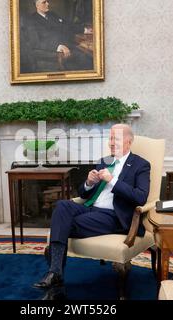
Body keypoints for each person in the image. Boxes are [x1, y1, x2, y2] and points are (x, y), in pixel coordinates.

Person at [33, 124, 151, 299]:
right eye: (110, 138)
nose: (111, 143)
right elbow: (83, 193)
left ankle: (55, 282)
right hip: (91, 208)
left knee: (62, 224)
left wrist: (112, 180)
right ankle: (56, 272)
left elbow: (140, 197)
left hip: (114, 216)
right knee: (62, 206)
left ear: (129, 142)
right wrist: (89, 182)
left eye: (116, 139)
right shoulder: (104, 161)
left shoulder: (141, 165)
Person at [21, 0, 93, 73]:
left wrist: (84, 30)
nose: (48, 4)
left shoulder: (52, 15)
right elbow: (36, 42)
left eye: (47, 1)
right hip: (53, 53)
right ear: (37, 5)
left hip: (68, 46)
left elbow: (67, 25)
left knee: (88, 55)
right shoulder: (31, 20)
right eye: (44, 2)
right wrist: (58, 46)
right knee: (86, 59)